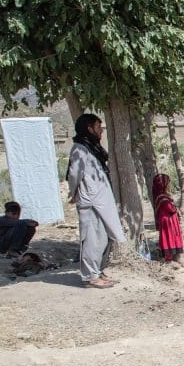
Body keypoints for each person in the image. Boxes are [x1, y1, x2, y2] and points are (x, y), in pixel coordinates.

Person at [67, 113, 126, 288]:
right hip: (90, 201)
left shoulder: (91, 148)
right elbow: (74, 174)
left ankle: (97, 271)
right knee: (92, 239)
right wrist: (73, 193)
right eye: (98, 128)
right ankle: (90, 277)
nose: (101, 132)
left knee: (103, 238)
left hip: (100, 200)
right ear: (89, 128)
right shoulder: (79, 149)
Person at [150, 174, 184, 267]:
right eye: (167, 183)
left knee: (169, 237)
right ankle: (168, 259)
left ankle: (171, 258)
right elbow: (170, 209)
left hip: (167, 220)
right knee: (168, 236)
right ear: (162, 184)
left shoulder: (161, 195)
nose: (168, 184)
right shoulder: (162, 197)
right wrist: (176, 208)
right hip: (167, 221)